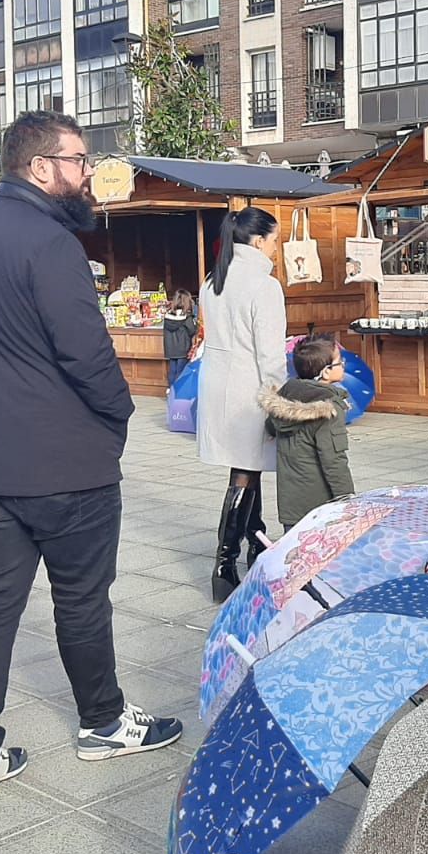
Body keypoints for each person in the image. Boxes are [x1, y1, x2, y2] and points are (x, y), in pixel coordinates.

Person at [0, 112, 181, 807]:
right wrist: (118, 416)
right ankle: (102, 722)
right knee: (80, 601)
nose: (88, 174)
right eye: (79, 160)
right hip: (65, 463)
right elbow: (87, 351)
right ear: (41, 167)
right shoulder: (49, 243)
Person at [198, 206, 286, 601]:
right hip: (250, 387)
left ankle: (256, 542)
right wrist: (278, 397)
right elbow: (270, 353)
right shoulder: (263, 285)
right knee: (245, 473)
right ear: (257, 240)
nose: (275, 248)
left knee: (249, 467)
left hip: (218, 384)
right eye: (274, 240)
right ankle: (224, 561)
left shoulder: (213, 279)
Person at [260, 334, 354, 529]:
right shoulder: (327, 409)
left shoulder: (285, 397)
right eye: (339, 362)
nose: (343, 365)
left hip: (291, 504)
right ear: (326, 372)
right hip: (321, 505)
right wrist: (348, 501)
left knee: (295, 553)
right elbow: (334, 461)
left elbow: (270, 426)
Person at [162, 290, 198, 390]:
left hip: (170, 349)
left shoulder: (168, 316)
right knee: (180, 371)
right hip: (183, 348)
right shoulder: (187, 317)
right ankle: (178, 392)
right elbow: (192, 331)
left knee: (172, 370)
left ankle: (170, 390)